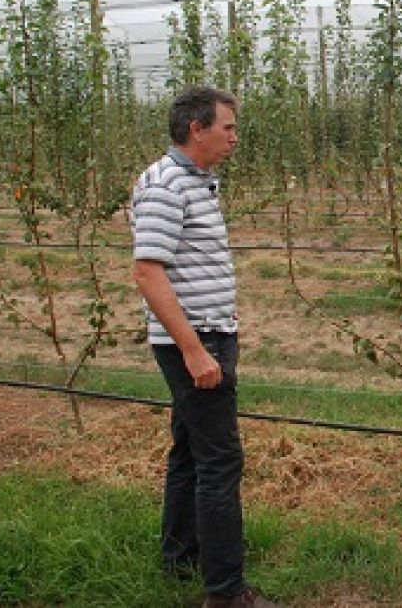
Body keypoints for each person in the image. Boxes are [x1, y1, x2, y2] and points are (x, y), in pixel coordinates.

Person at [131, 87, 278, 608]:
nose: (235, 137)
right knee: (220, 461)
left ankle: (180, 557)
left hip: (208, 333)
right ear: (198, 129)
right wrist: (195, 350)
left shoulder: (197, 182)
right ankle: (226, 591)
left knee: (191, 452)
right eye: (228, 127)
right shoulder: (166, 185)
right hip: (196, 342)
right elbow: (148, 273)